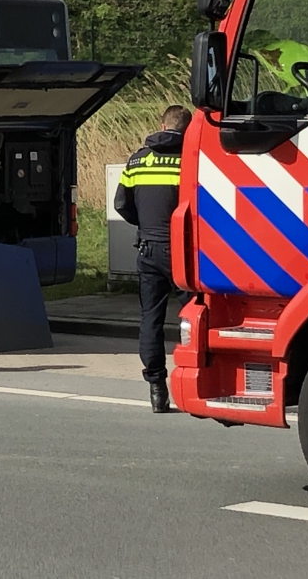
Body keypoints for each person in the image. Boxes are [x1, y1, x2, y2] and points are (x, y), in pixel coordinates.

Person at [114, 104, 192, 413]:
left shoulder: (137, 160)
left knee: (151, 319)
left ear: (161, 124)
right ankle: (197, 380)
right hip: (183, 252)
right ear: (186, 130)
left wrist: (144, 225)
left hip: (147, 249)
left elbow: (122, 203)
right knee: (196, 315)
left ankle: (157, 389)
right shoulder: (190, 160)